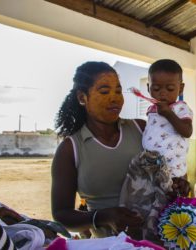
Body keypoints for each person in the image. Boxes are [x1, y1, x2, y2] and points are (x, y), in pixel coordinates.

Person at [51, 61, 144, 238]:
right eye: (104, 91)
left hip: (156, 240)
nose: (115, 98)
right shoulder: (70, 149)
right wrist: (102, 216)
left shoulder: (140, 129)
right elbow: (61, 214)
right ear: (82, 97)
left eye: (118, 91)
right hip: (107, 244)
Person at [142, 59, 193, 179]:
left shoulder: (181, 108)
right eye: (156, 89)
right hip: (152, 168)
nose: (163, 93)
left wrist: (169, 114)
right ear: (148, 88)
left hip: (174, 171)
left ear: (180, 88)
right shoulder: (151, 109)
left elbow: (187, 131)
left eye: (170, 89)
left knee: (173, 197)